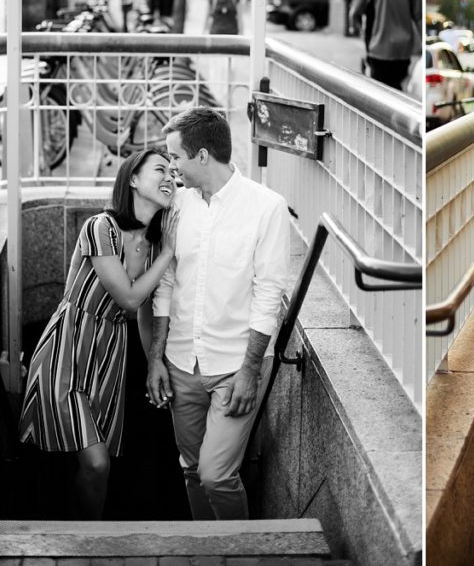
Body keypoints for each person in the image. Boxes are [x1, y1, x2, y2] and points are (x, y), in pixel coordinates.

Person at [147, 107, 290, 520]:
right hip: (180, 364)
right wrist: (156, 357)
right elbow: (166, 285)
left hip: (235, 366)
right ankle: (205, 551)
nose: (170, 167)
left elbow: (268, 295)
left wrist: (250, 371)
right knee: (191, 469)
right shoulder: (178, 207)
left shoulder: (267, 207)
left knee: (216, 475)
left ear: (203, 156)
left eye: (175, 157)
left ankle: (239, 553)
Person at [19, 149, 179, 519]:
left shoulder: (153, 245)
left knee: (96, 461)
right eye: (160, 170)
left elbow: (140, 314)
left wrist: (154, 364)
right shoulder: (101, 228)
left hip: (110, 356)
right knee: (96, 463)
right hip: (69, 346)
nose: (170, 177)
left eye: (173, 172)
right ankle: (84, 536)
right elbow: (128, 297)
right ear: (133, 180)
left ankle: (85, 534)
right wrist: (170, 252)